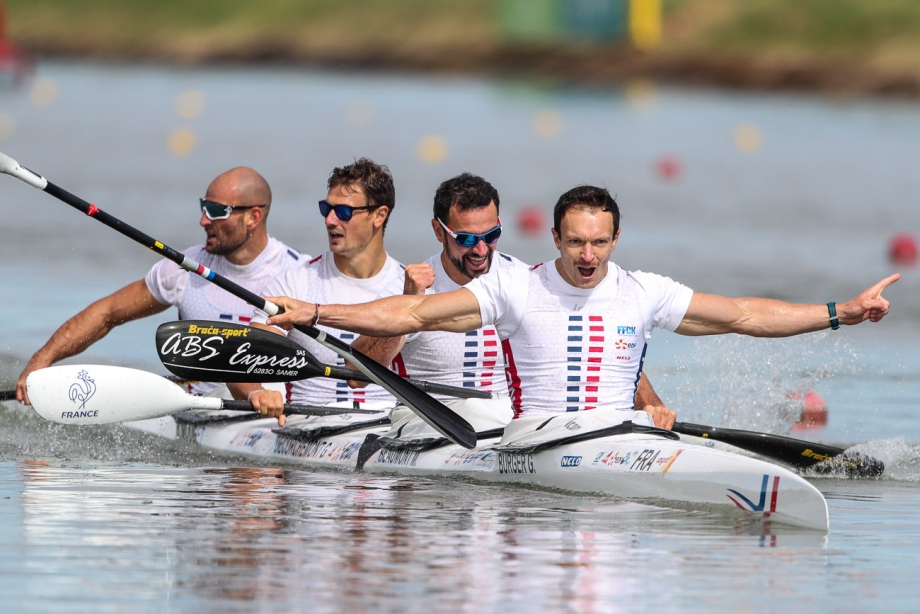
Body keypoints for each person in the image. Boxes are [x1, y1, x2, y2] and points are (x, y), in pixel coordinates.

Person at [258, 185, 898, 426]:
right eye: (575, 242)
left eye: (599, 243)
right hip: (532, 441)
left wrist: (841, 310)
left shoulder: (644, 289)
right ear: (556, 239)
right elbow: (410, 317)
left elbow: (745, 315)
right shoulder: (516, 286)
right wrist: (317, 314)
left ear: (615, 240)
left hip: (620, 438)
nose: (587, 256)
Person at [348, 172, 674, 426]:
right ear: (438, 231)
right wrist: (409, 301)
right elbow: (354, 375)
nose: (480, 250)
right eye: (466, 239)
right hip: (425, 424)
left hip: (504, 428)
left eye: (491, 236)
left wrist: (650, 405)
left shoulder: (526, 282)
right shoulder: (406, 285)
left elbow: (603, 352)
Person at [16, 166, 302, 404]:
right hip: (202, 409)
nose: (203, 220)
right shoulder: (185, 268)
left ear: (253, 216)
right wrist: (42, 360)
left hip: (275, 413)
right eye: (204, 207)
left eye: (216, 211)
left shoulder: (298, 274)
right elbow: (106, 314)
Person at [233, 158, 404, 417]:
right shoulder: (295, 284)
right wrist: (256, 392)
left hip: (389, 426)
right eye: (327, 209)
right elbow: (242, 363)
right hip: (310, 425)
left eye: (344, 212)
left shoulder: (409, 287)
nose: (330, 221)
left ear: (379, 215)